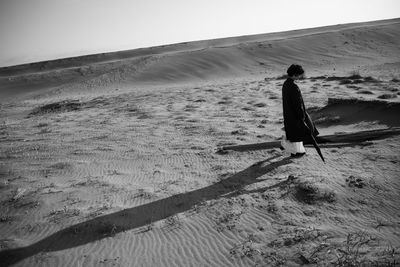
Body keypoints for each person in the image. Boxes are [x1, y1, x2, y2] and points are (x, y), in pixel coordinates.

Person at [280, 64, 319, 158]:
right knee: (300, 132)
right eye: (299, 75)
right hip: (295, 114)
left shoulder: (286, 84)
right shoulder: (293, 87)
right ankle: (295, 151)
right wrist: (302, 116)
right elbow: (298, 104)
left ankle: (295, 150)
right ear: (295, 74)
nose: (300, 77)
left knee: (294, 133)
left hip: (289, 113)